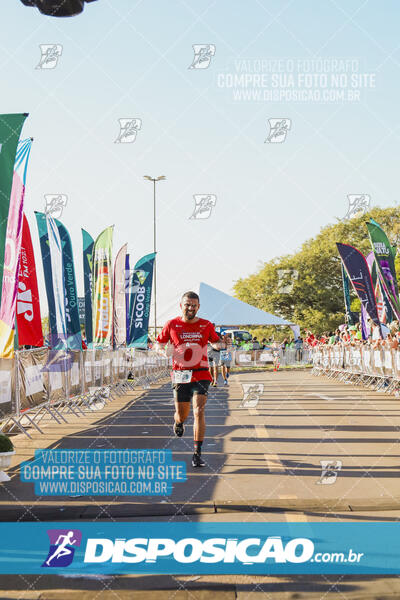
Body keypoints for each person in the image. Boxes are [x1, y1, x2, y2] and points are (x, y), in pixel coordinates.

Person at [155, 291, 224, 468]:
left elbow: (216, 342)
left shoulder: (206, 325)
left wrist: (218, 345)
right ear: (181, 305)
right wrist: (164, 351)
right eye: (187, 304)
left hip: (201, 373)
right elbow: (159, 343)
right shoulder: (172, 324)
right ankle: (178, 422)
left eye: (194, 305)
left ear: (198, 307)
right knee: (182, 414)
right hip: (180, 375)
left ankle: (197, 453)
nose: (190, 308)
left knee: (198, 411)